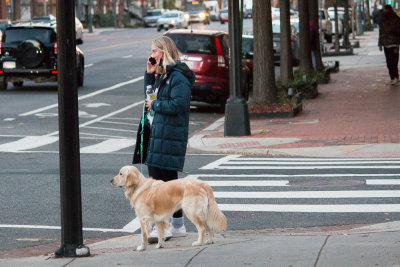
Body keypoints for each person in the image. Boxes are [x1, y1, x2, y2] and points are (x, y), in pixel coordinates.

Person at [135, 36, 195, 244]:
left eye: (154, 51)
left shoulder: (178, 77)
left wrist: (157, 106)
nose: (151, 55)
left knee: (166, 183)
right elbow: (150, 96)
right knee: (161, 179)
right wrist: (149, 75)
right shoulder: (163, 75)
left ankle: (169, 226)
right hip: (158, 131)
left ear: (163, 52)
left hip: (170, 134)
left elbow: (179, 104)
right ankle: (176, 225)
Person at [378, 5, 400, 85]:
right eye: (385, 10)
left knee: (394, 61)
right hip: (387, 44)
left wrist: (392, 29)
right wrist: (380, 44)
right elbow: (380, 32)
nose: (386, 11)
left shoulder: (395, 18)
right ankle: (393, 77)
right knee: (389, 62)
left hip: (394, 43)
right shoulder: (382, 19)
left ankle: (395, 76)